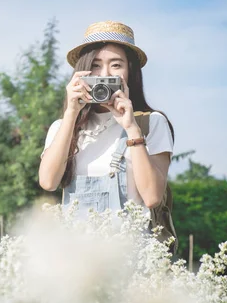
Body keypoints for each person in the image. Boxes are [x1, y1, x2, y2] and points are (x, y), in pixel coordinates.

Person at [39, 21, 175, 220]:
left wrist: (131, 128)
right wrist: (71, 113)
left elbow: (152, 197)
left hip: (131, 248)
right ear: (82, 72)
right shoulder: (62, 128)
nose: (104, 75)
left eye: (116, 65)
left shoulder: (151, 123)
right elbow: (48, 182)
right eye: (95, 66)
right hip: (76, 247)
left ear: (130, 71)